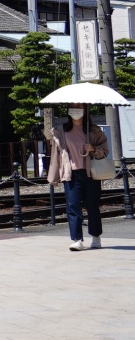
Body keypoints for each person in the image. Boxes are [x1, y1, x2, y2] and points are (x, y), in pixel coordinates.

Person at [44, 105, 110, 250]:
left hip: (90, 174)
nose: (75, 110)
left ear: (85, 110)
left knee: (92, 206)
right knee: (73, 207)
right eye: (72, 107)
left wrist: (93, 149)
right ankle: (77, 239)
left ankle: (95, 236)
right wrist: (54, 176)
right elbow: (56, 154)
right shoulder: (61, 130)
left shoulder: (93, 130)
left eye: (79, 106)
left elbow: (105, 150)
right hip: (71, 174)